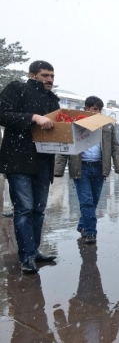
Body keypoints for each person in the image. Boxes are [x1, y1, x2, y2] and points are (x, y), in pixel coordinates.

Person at [0, 60, 60, 274]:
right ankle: (26, 256)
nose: (50, 80)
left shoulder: (52, 99)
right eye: (45, 75)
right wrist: (33, 118)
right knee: (24, 209)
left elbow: (59, 128)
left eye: (52, 76)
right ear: (33, 75)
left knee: (38, 209)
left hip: (43, 160)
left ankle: (34, 251)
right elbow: (3, 115)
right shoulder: (17, 89)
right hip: (19, 160)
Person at [54, 96, 119, 244]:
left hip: (99, 168)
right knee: (86, 202)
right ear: (86, 109)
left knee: (94, 201)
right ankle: (91, 232)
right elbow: (65, 145)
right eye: (94, 109)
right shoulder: (75, 124)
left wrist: (118, 165)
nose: (97, 112)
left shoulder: (107, 126)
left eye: (99, 109)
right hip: (81, 168)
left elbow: (115, 146)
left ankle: (82, 225)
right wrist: (58, 169)